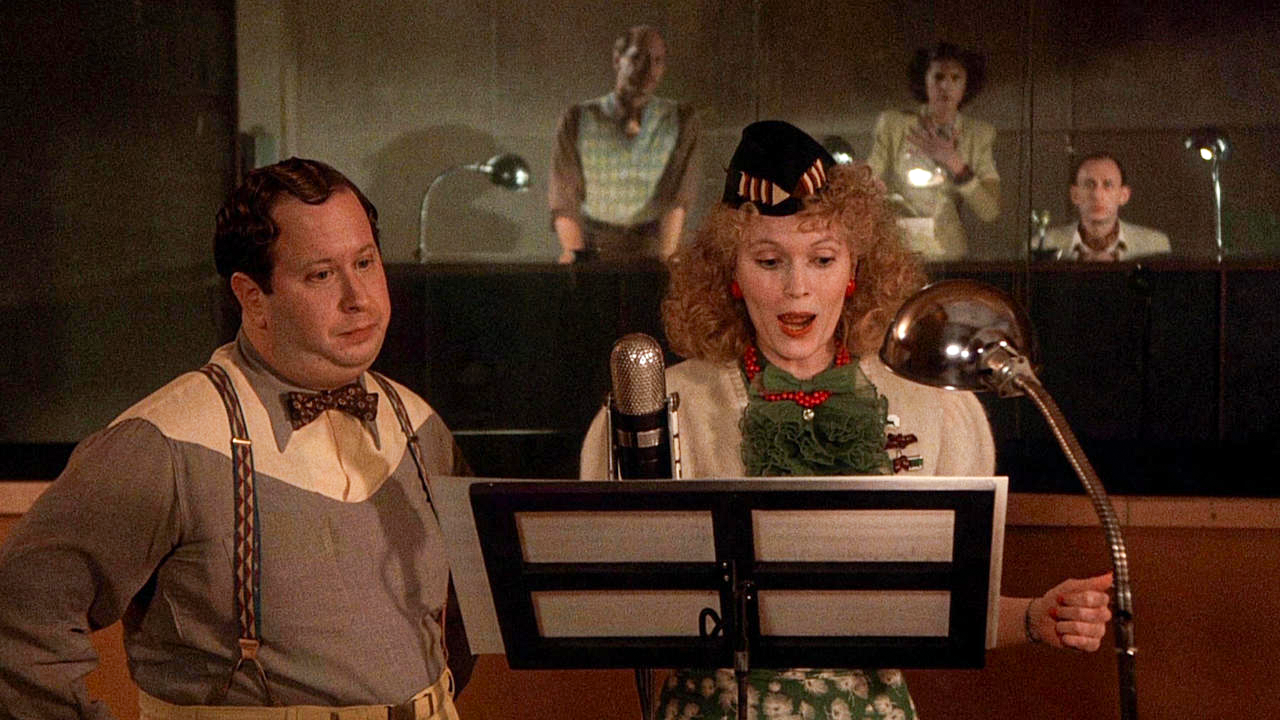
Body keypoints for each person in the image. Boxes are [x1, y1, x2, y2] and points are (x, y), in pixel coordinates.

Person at [582, 121, 1112, 720]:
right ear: (732, 274)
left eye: (822, 259)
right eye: (769, 260)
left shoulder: (933, 404)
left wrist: (1037, 617)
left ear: (855, 268)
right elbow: (612, 603)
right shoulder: (663, 406)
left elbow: (943, 607)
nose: (797, 287)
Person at [0, 158, 471, 719]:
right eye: (321, 275)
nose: (359, 298)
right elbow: (18, 621)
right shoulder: (166, 443)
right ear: (252, 297)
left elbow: (464, 616)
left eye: (365, 263)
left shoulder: (420, 427)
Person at [549, 25, 700, 264]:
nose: (648, 69)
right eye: (637, 57)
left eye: (657, 61)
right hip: (594, 248)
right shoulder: (578, 117)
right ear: (618, 59)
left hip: (653, 247)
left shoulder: (680, 119)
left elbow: (678, 196)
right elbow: (564, 195)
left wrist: (666, 260)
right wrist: (575, 257)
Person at [867, 42, 999, 260]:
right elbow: (870, 180)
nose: (946, 86)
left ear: (966, 85)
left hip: (948, 252)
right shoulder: (894, 125)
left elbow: (990, 211)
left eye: (956, 78)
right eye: (938, 77)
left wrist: (954, 162)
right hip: (900, 248)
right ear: (924, 80)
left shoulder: (978, 135)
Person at [1042, 152, 1171, 261]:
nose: (1097, 195)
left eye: (1108, 185)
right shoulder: (1043, 245)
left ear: (1124, 195)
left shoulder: (1155, 246)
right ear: (1074, 195)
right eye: (1089, 185)